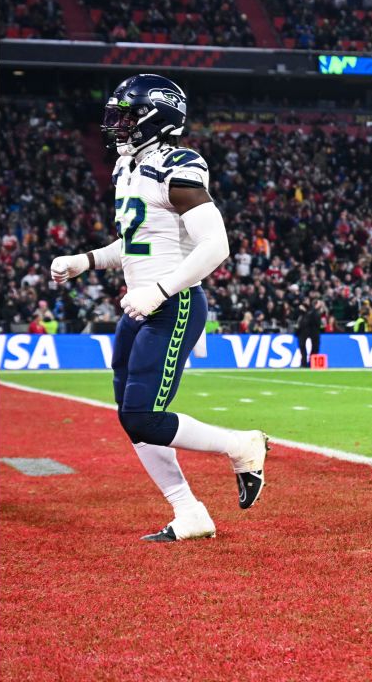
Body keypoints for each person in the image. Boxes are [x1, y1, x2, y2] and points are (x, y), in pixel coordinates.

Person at [49, 73, 268, 541]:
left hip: (173, 304)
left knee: (142, 416)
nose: (116, 125)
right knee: (133, 418)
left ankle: (240, 445)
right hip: (140, 304)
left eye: (126, 116)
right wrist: (86, 260)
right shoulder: (128, 168)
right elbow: (134, 245)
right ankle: (188, 512)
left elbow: (216, 245)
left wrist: (162, 291)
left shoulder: (178, 166)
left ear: (155, 117)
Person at [296, 299, 323, 368]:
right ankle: (305, 363)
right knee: (304, 346)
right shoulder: (311, 312)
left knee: (314, 347)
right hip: (308, 331)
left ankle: (311, 362)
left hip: (312, 331)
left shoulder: (313, 311)